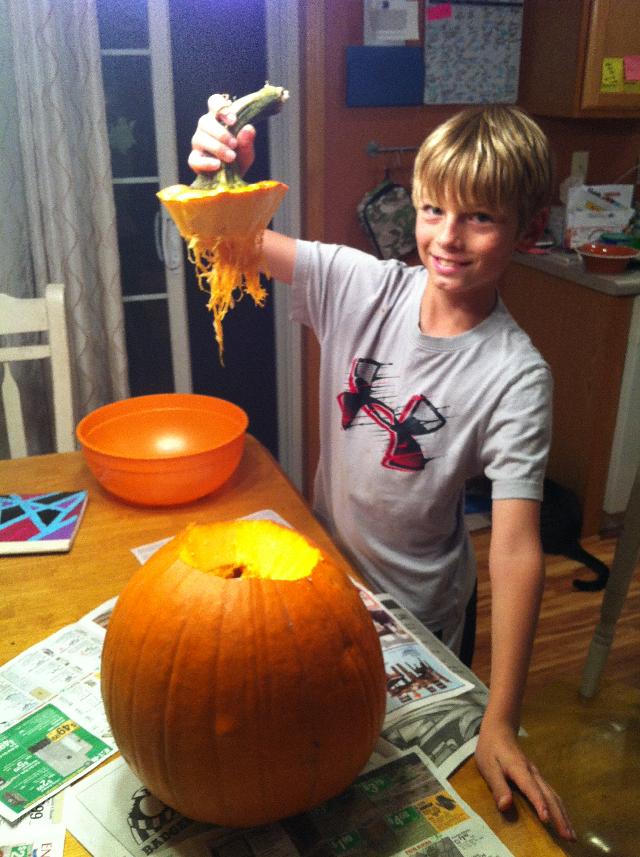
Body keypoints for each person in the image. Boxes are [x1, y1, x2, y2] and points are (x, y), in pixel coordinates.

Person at [189, 95, 576, 842]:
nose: (448, 237)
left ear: (528, 230)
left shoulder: (517, 375)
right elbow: (223, 238)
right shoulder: (360, 284)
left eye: (480, 217)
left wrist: (502, 718)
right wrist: (219, 175)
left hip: (421, 619)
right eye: (434, 210)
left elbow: (516, 547)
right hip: (328, 581)